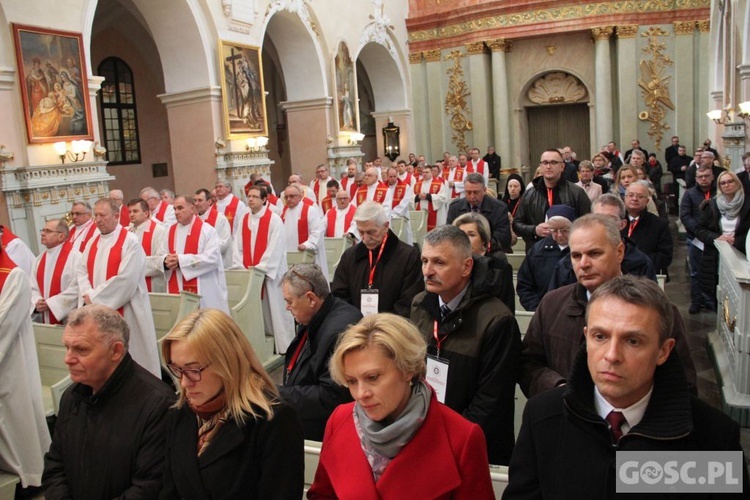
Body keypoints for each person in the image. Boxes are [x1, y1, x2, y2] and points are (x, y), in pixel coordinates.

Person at [505, 276, 749, 499]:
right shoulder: (543, 417)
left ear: (663, 350)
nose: (612, 356)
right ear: (586, 337)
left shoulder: (712, 438)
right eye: (600, 337)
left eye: (632, 341)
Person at [308, 313, 494, 499]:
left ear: (408, 369)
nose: (361, 394)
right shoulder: (340, 420)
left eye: (372, 377)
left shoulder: (462, 438)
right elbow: (323, 494)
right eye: (351, 381)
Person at [519, 214, 696, 398]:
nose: (584, 264)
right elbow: (529, 364)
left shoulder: (656, 309)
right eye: (576, 256)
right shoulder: (552, 304)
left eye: (594, 253)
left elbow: (682, 384)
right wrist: (559, 388)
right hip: (565, 417)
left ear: (619, 252)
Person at [159, 308, 304, 499]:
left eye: (193, 370)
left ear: (226, 363)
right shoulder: (181, 414)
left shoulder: (273, 421)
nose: (184, 383)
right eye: (176, 369)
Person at [411, 225, 520, 465]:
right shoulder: (420, 304)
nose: (427, 271)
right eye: (424, 261)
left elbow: (490, 403)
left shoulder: (497, 320)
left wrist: (446, 439)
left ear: (466, 267)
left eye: (439, 263)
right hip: (424, 436)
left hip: (472, 448)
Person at [43, 305, 175, 498]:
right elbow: (55, 466)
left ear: (115, 351)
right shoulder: (72, 396)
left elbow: (149, 487)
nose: (68, 359)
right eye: (67, 347)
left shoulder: (157, 404)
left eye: (81, 349)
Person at [77, 198, 161, 377]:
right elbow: (81, 270)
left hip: (127, 309)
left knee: (134, 358)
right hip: (96, 308)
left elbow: (126, 279)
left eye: (102, 215)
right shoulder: (92, 242)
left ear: (116, 216)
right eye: (95, 215)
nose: (97, 220)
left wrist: (94, 298)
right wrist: (87, 293)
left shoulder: (131, 242)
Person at [279, 263, 362, 440]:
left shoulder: (338, 331)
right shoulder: (317, 315)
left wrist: (278, 395)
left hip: (323, 432)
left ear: (311, 298)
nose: (287, 307)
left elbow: (330, 396)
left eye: (289, 301)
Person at [0, 236, 51, 491]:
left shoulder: (14, 277)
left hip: (9, 361)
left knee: (15, 418)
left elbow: (5, 324)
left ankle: (26, 479)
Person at [546, 193, 657, 290]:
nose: (602, 224)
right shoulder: (566, 265)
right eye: (597, 218)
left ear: (622, 224)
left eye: (610, 219)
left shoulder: (641, 263)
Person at [332, 201, 423, 317]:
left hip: (393, 329)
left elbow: (409, 302)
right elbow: (340, 297)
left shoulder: (409, 256)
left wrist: (380, 328)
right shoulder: (350, 256)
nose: (365, 239)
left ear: (385, 226)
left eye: (371, 232)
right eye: (361, 232)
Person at [232, 185, 294, 353]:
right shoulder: (244, 219)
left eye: (254, 196)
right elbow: (237, 247)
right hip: (250, 274)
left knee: (276, 310)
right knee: (258, 310)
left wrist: (260, 269)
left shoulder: (273, 219)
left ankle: (284, 345)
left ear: (264, 199)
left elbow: (276, 247)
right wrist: (241, 267)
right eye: (249, 196)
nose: (250, 199)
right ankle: (262, 345)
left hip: (270, 276)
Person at [513, 149, 591, 251]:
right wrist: (534, 230)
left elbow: (588, 223)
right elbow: (516, 224)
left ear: (562, 166)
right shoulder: (529, 194)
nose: (548, 166)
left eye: (554, 162)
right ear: (540, 166)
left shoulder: (577, 193)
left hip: (569, 252)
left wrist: (567, 232)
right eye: (545, 163)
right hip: (538, 253)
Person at [163, 195, 229, 313]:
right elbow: (162, 253)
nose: (176, 212)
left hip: (204, 288)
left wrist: (181, 261)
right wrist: (165, 261)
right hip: (176, 284)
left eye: (180, 208)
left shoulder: (207, 230)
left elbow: (212, 258)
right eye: (174, 209)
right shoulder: (169, 231)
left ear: (192, 209)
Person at [695, 170, 750, 309]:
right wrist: (717, 237)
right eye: (723, 183)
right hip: (715, 252)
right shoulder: (711, 205)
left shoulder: (747, 204)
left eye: (730, 181)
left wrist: (736, 240)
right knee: (717, 287)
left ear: (737, 183)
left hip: (741, 251)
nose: (726, 185)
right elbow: (700, 230)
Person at [452, 211, 515, 315]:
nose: (465, 240)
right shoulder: (451, 267)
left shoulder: (500, 269)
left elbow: (506, 309)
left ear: (484, 241)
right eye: (461, 235)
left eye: (471, 235)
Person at [516, 205, 574, 311]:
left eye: (564, 230)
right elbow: (525, 285)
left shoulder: (579, 250)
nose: (559, 235)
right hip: (544, 311)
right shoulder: (537, 251)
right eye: (554, 230)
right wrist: (537, 309)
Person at [679, 165, 716, 314]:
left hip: (714, 239)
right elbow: (685, 216)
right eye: (700, 177)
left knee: (712, 271)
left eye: (706, 176)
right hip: (695, 239)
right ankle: (696, 300)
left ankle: (710, 300)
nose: (703, 179)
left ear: (712, 176)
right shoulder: (690, 193)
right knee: (695, 272)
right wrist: (699, 232)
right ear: (696, 179)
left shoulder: (717, 193)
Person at [31, 218, 80, 324]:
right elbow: (32, 286)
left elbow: (77, 288)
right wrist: (37, 301)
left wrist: (52, 304)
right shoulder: (39, 259)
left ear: (61, 236)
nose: (43, 234)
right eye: (43, 230)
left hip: (68, 319)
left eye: (48, 231)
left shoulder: (76, 258)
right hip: (45, 317)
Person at [446, 172, 511, 252]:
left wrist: (481, 245)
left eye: (476, 192)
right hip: (461, 252)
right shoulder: (455, 207)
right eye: (468, 192)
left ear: (484, 190)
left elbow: (504, 237)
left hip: (490, 253)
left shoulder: (499, 208)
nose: (472, 196)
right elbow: (449, 233)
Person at [622, 181, 673, 275]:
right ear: (624, 198)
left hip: (647, 274)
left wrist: (638, 261)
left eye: (640, 196)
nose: (634, 199)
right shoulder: (617, 222)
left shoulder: (659, 224)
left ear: (647, 201)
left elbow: (665, 256)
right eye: (630, 195)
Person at [281, 183, 328, 278]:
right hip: (289, 254)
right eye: (286, 197)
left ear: (300, 196)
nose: (289, 199)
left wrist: (307, 244)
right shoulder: (284, 212)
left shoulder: (310, 210)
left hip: (306, 253)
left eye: (292, 196)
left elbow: (317, 231)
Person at [128, 198, 167, 293]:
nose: (131, 214)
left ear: (146, 213)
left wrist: (133, 268)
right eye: (130, 212)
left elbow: (160, 261)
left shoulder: (159, 230)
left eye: (135, 211)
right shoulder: (127, 232)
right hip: (132, 284)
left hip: (152, 283)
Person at [194, 188, 232, 269]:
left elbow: (224, 242)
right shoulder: (193, 220)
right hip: (199, 264)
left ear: (209, 202)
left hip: (217, 263)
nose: (196, 203)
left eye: (200, 200)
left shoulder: (220, 219)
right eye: (195, 200)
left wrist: (205, 252)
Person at [413, 164, 449, 231]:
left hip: (435, 213)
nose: (425, 174)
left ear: (431, 173)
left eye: (427, 172)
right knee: (422, 231)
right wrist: (418, 197)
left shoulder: (439, 184)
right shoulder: (417, 184)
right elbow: (411, 197)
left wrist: (428, 196)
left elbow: (442, 197)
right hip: (421, 213)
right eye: (423, 172)